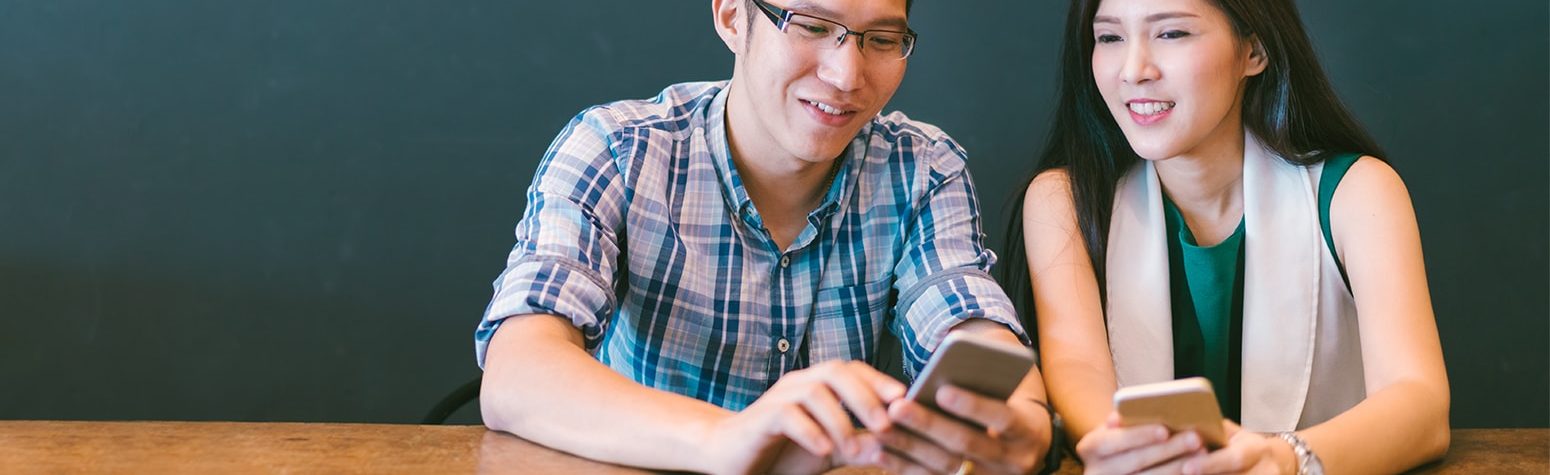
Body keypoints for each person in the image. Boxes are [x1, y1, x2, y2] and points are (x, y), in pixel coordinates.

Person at [476, 1, 1055, 473]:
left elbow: (968, 322)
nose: (846, 76)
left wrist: (1023, 418)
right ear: (731, 16)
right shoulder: (618, 149)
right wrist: (725, 440)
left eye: (881, 40)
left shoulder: (924, 168)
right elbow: (516, 374)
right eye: (811, 26)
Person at [1001, 0, 1450, 473]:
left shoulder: (1355, 192)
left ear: (1254, 51)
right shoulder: (1063, 202)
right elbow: (1079, 370)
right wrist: (1138, 455)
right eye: (1110, 37)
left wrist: (1285, 460)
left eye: (1172, 34)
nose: (1134, 70)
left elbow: (1420, 405)